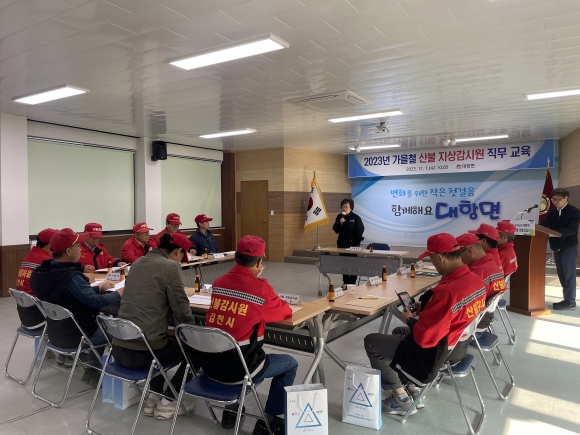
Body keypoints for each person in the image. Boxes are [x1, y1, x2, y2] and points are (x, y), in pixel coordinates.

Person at [364, 233, 486, 416]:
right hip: (459, 345)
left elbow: (425, 337)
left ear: (440, 258)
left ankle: (400, 399)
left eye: (432, 259)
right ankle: (412, 388)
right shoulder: (475, 281)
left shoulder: (447, 291)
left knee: (372, 341)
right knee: (399, 331)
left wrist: (410, 319)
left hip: (436, 352)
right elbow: (454, 314)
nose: (433, 264)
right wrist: (428, 307)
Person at [201, 235, 296, 435]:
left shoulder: (219, 282)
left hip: (209, 365)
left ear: (236, 257)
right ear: (260, 262)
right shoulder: (259, 289)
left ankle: (231, 411)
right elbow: (285, 312)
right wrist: (258, 281)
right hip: (240, 370)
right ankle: (270, 420)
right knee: (290, 364)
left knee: (230, 343)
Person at [112, 232, 197, 420]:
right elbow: (181, 308)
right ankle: (168, 401)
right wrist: (192, 333)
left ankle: (153, 396)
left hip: (119, 349)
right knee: (196, 351)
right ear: (178, 251)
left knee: (160, 339)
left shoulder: (137, 263)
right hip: (144, 355)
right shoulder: (170, 266)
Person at [30, 228, 121, 386]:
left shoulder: (40, 273)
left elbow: (66, 294)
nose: (80, 249)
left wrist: (97, 288)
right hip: (79, 334)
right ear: (69, 251)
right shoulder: (71, 278)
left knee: (99, 325)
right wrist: (120, 293)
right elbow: (96, 302)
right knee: (117, 331)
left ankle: (92, 370)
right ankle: (105, 374)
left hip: (56, 332)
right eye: (78, 246)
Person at [539, 187, 580, 310]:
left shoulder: (574, 211)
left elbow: (572, 229)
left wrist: (556, 233)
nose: (556, 202)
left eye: (558, 199)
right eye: (554, 199)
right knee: (562, 275)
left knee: (568, 275)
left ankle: (570, 301)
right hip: (556, 247)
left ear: (566, 198)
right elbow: (543, 225)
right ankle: (567, 299)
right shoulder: (553, 212)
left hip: (568, 247)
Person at [457, 233, 506, 331]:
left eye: (458, 254)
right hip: (485, 318)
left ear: (469, 251)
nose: (458, 258)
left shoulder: (477, 273)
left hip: (474, 325)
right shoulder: (491, 264)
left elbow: (460, 306)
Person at [16, 228, 58, 330]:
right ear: (50, 245)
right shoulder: (46, 261)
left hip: (25, 314)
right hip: (39, 317)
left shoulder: (31, 255)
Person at [332, 198, 365, 285]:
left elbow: (360, 230)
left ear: (351, 208)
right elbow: (335, 229)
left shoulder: (355, 217)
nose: (344, 208)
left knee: (353, 264)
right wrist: (340, 223)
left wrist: (357, 243)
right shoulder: (339, 217)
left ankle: (352, 283)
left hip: (353, 245)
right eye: (343, 206)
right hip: (342, 244)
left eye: (346, 207)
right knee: (344, 264)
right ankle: (346, 282)